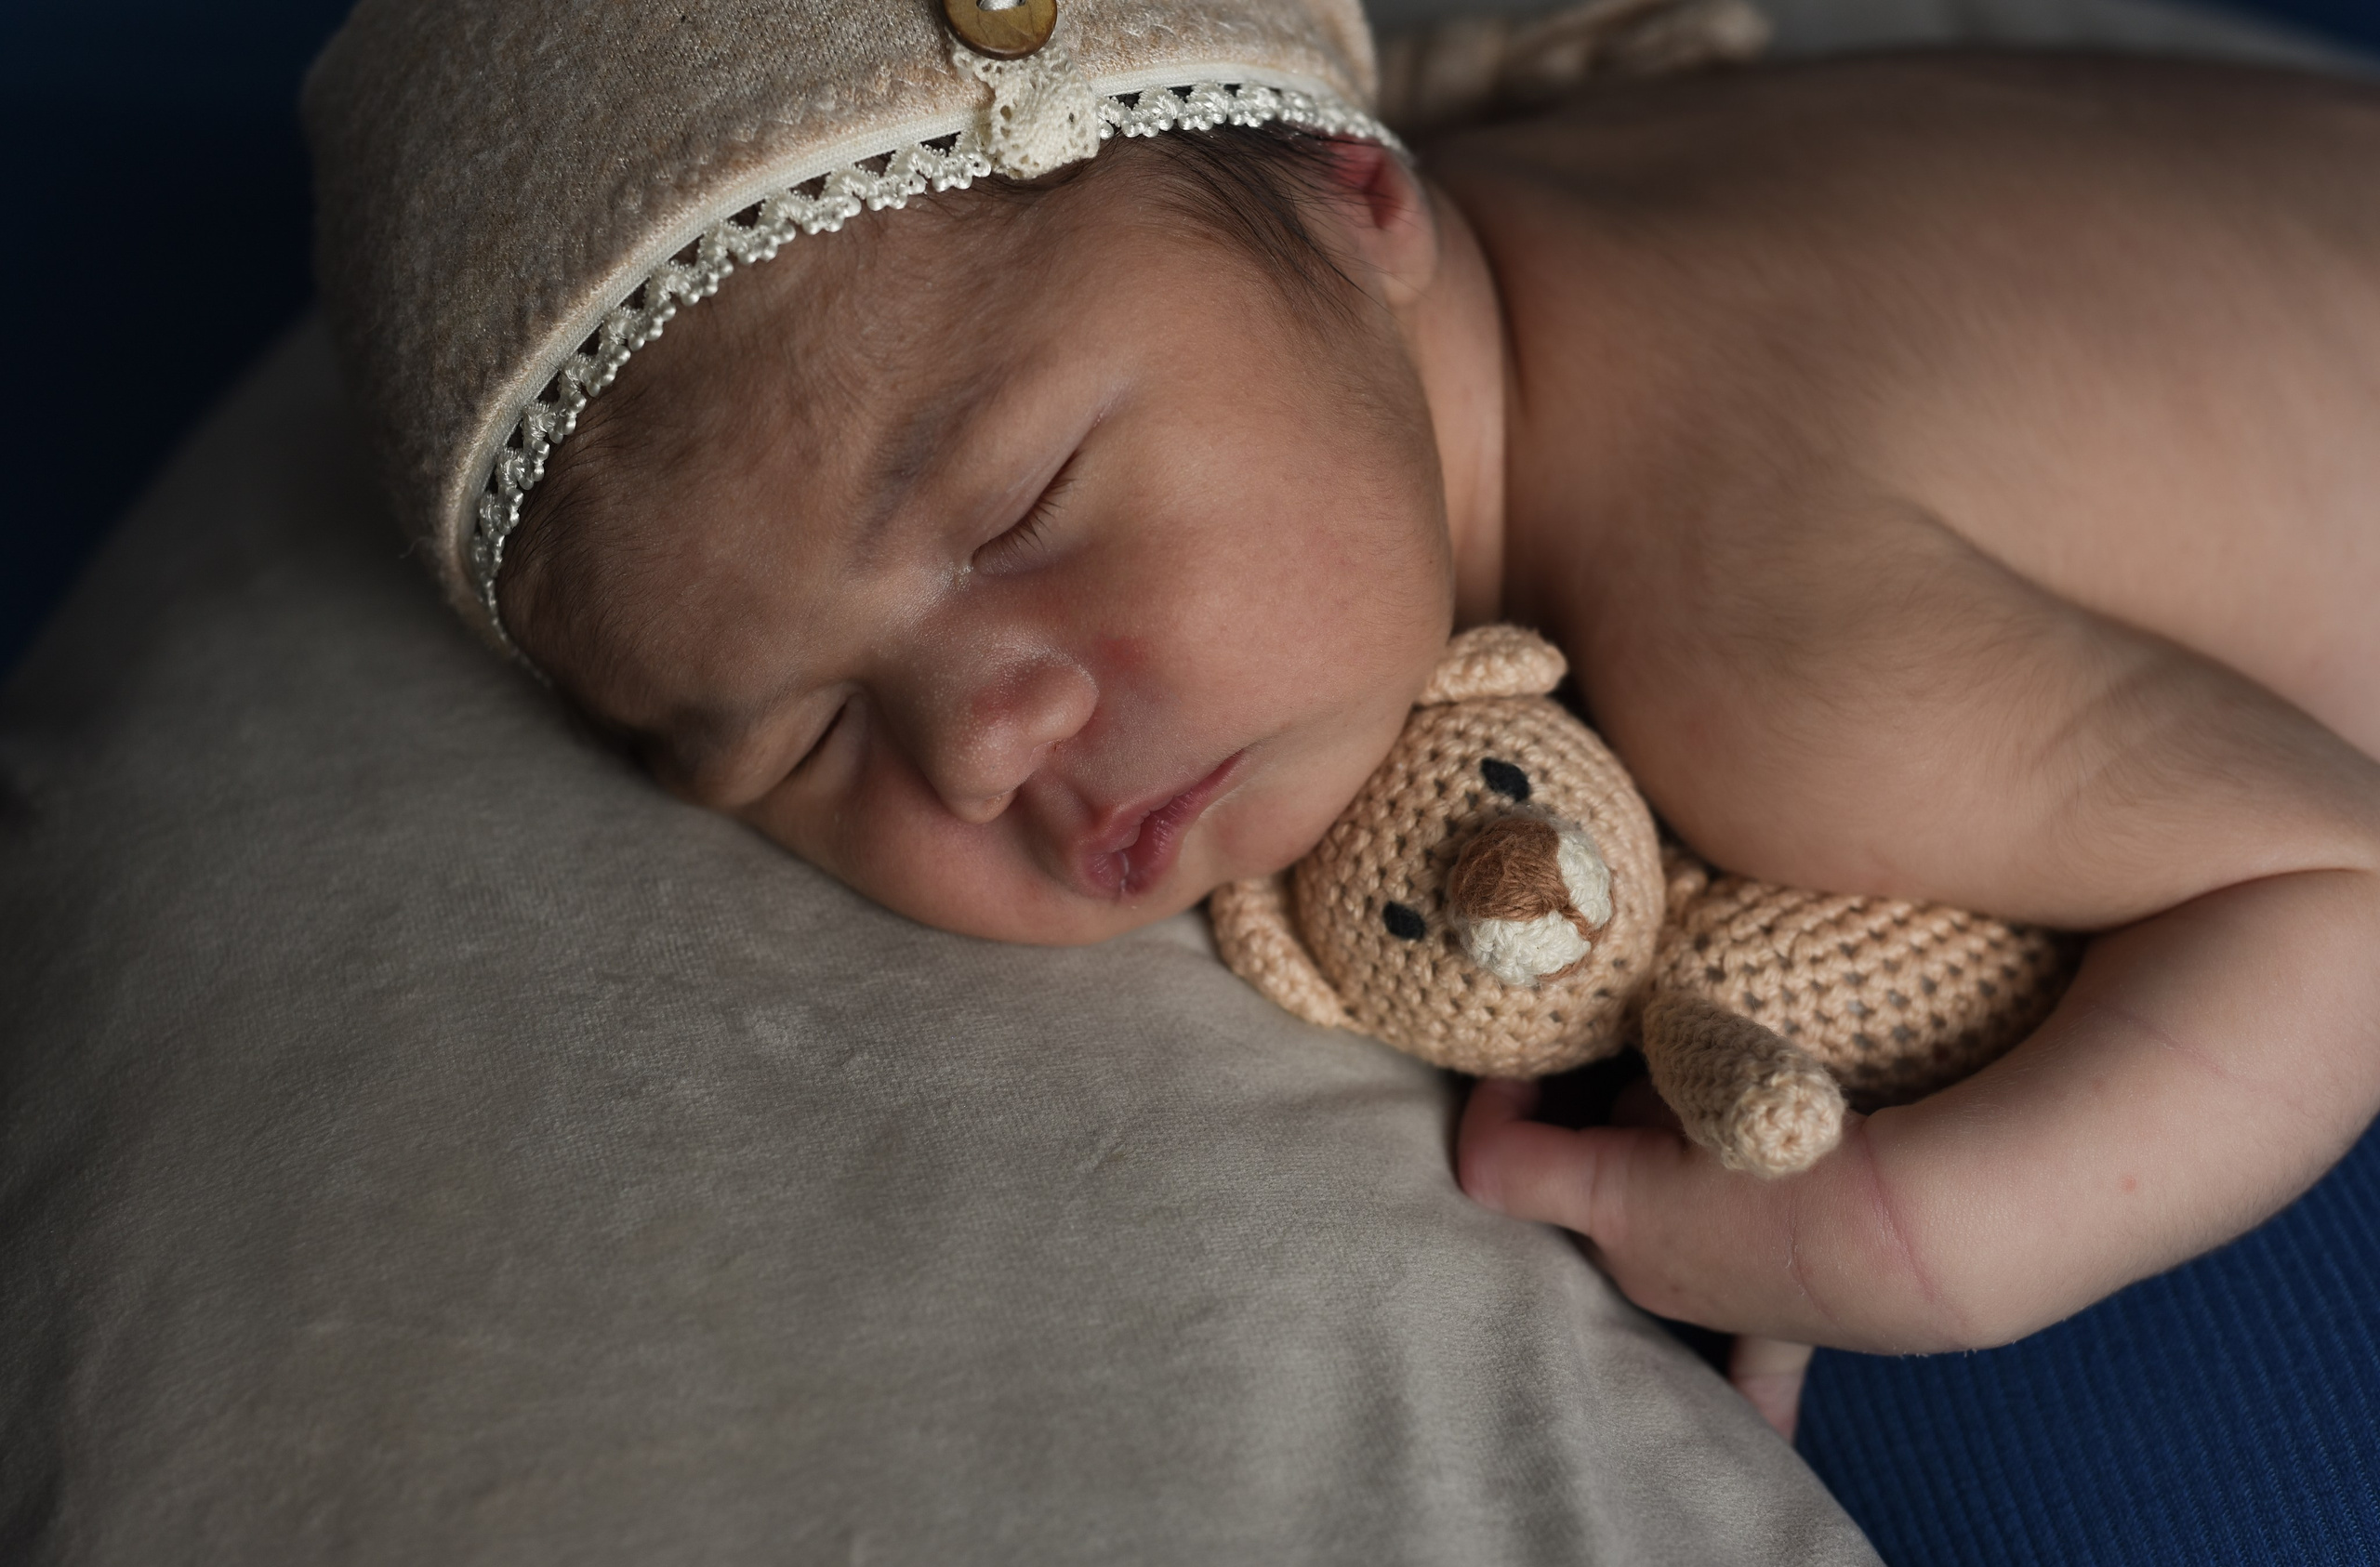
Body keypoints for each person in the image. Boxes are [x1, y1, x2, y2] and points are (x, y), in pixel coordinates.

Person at [309, 0, 2380, 1434]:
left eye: (1018, 508)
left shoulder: (1760, 635)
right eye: (800, 746)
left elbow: (2326, 881)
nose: (978, 745)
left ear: (1341, 185)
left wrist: (1935, 1241)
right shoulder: (1456, 249)